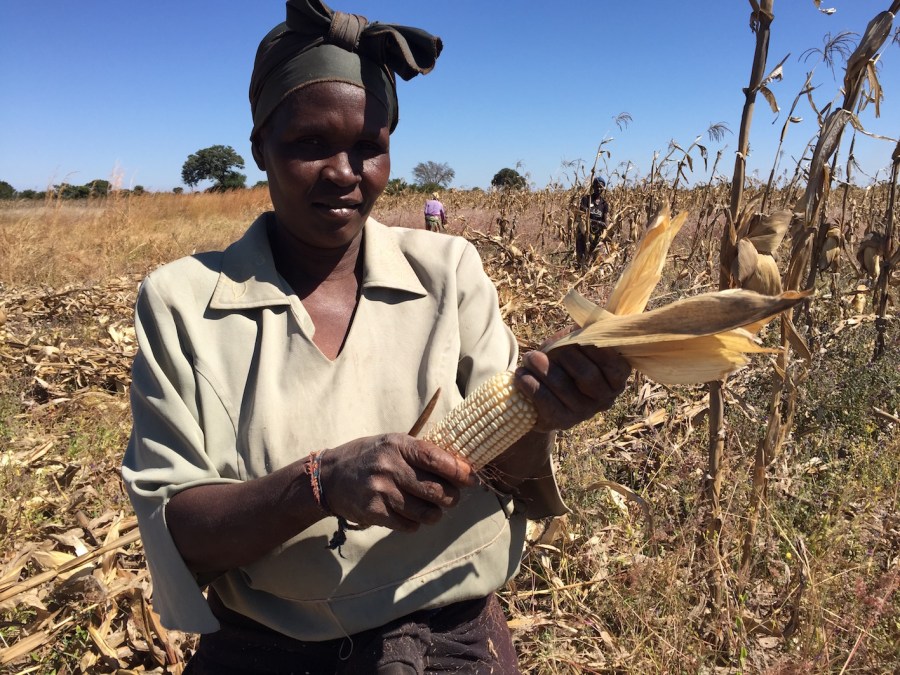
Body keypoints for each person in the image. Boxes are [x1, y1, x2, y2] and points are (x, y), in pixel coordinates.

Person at [121, 2, 631, 673]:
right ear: (259, 148)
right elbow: (183, 534)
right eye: (309, 144)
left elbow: (512, 474)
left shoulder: (450, 274)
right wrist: (321, 481)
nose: (343, 171)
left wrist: (542, 414)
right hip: (270, 651)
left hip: (449, 640)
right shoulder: (184, 304)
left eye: (368, 146)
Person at [575, 176, 610, 266]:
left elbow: (606, 222)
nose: (598, 188)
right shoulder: (586, 199)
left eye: (601, 187)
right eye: (596, 186)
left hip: (597, 235)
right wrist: (596, 222)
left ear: (603, 188)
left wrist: (604, 225)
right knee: (582, 259)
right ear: (593, 187)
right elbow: (582, 217)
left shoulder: (604, 204)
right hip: (584, 234)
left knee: (596, 261)